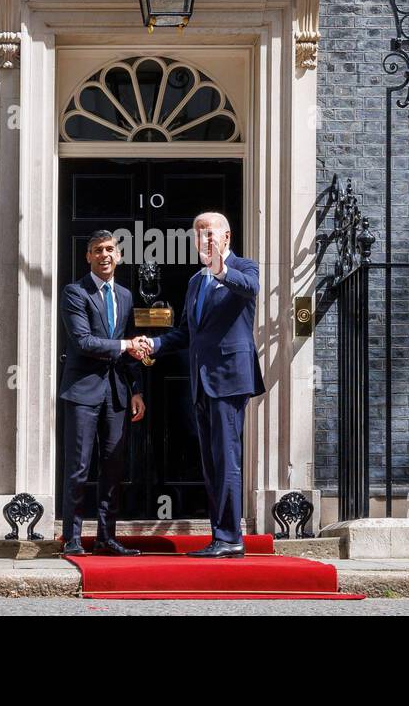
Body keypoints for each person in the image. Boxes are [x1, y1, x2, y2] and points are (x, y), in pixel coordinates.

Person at [128, 212, 264, 558]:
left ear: (227, 236)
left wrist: (221, 269)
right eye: (199, 234)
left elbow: (250, 289)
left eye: (210, 233)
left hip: (229, 379)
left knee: (226, 458)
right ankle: (221, 535)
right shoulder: (194, 282)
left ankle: (231, 537)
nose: (204, 239)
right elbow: (187, 332)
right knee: (211, 462)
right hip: (201, 381)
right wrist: (154, 344)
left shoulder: (244, 268)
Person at [58, 230, 146, 557]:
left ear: (118, 255)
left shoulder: (124, 295)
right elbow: (83, 341)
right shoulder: (75, 292)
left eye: (110, 249)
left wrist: (136, 389)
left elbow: (128, 348)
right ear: (88, 257)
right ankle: (72, 538)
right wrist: (125, 344)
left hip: (117, 393)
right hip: (83, 391)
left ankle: (106, 538)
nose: (104, 255)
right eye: (97, 250)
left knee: (112, 467)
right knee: (79, 467)